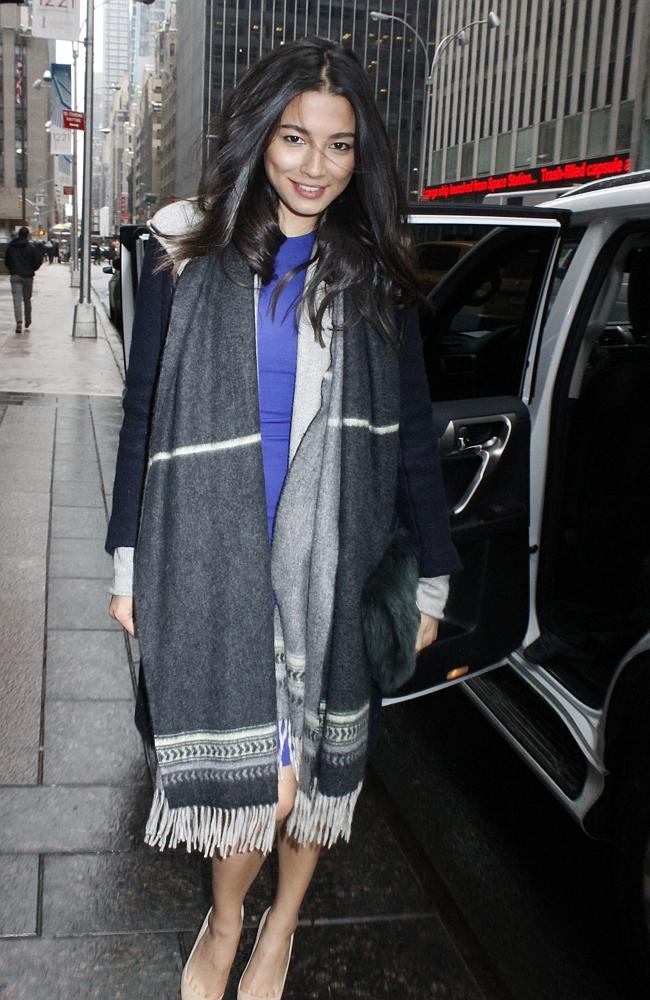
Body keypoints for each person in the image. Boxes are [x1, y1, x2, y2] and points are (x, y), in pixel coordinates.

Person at [106, 37, 460, 1000]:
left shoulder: (374, 279)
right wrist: (130, 565)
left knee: (318, 772)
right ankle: (228, 923)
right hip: (216, 563)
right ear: (261, 136)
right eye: (296, 138)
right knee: (264, 785)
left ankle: (281, 926)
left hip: (333, 566)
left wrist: (430, 574)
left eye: (340, 147)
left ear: (361, 158)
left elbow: (413, 438)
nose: (315, 166)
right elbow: (144, 423)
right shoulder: (189, 262)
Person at [4, 226, 43, 333]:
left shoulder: (11, 247)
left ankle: (19, 322)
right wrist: (32, 269)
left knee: (16, 300)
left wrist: (12, 269)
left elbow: (7, 261)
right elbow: (38, 261)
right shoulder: (32, 248)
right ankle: (28, 319)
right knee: (27, 299)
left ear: (18, 234)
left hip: (15, 275)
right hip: (28, 277)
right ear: (27, 236)